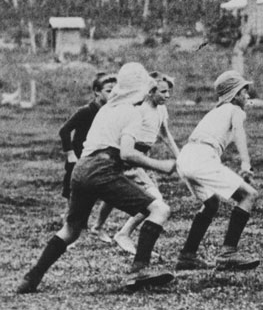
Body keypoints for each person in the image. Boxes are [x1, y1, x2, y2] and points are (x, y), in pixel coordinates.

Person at [16, 63, 177, 294]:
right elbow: (127, 153)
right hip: (103, 169)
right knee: (159, 210)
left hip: (81, 169)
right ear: (140, 90)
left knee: (71, 230)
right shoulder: (132, 113)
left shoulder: (106, 109)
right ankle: (139, 271)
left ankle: (30, 279)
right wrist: (161, 165)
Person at [174, 70, 260, 272]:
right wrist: (245, 163)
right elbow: (239, 132)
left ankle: (187, 256)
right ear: (235, 94)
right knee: (249, 195)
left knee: (211, 203)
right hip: (202, 156)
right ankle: (228, 254)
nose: (247, 96)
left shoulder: (215, 111)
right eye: (244, 91)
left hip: (186, 157)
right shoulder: (235, 110)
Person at [110, 72, 182, 255]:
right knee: (154, 201)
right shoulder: (139, 109)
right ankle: (123, 234)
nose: (167, 96)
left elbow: (165, 134)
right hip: (133, 158)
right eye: (163, 92)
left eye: (168, 92)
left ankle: (117, 232)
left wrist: (179, 156)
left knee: (153, 201)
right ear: (150, 91)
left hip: (144, 160)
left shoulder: (161, 109)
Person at [57, 72, 116, 242]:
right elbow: (64, 130)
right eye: (108, 90)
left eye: (115, 91)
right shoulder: (86, 111)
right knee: (73, 194)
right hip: (79, 158)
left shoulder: (111, 112)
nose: (112, 94)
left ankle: (98, 226)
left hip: (99, 158)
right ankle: (71, 227)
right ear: (97, 92)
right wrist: (70, 153)